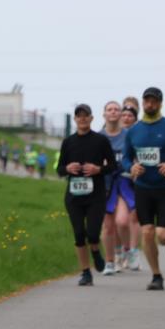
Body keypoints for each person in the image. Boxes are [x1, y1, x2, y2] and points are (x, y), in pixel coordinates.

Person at [122, 87, 165, 290]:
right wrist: (130, 167)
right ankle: (156, 276)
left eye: (154, 101)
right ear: (143, 103)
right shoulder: (134, 130)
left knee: (162, 234)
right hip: (142, 187)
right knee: (148, 231)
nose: (150, 104)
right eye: (147, 101)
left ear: (160, 103)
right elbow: (126, 157)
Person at [57, 104, 117, 286]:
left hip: (95, 195)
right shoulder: (68, 142)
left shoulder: (101, 140)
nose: (82, 119)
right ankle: (85, 272)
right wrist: (67, 168)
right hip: (74, 197)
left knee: (92, 233)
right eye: (79, 116)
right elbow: (59, 169)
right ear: (75, 119)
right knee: (78, 234)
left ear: (91, 118)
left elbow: (113, 166)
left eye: (85, 116)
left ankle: (96, 250)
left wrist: (98, 169)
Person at [100, 101, 133, 275]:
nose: (113, 112)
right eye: (109, 109)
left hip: (123, 184)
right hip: (104, 185)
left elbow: (134, 157)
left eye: (116, 109)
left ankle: (128, 251)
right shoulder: (98, 137)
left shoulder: (128, 135)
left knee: (122, 221)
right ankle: (110, 262)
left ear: (120, 114)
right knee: (108, 226)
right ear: (104, 114)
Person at [118, 104, 142, 270]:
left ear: (135, 119)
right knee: (121, 221)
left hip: (137, 181)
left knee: (135, 218)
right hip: (119, 181)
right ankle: (124, 249)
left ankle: (133, 252)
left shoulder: (140, 135)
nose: (126, 118)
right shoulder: (114, 134)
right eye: (123, 115)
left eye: (130, 116)